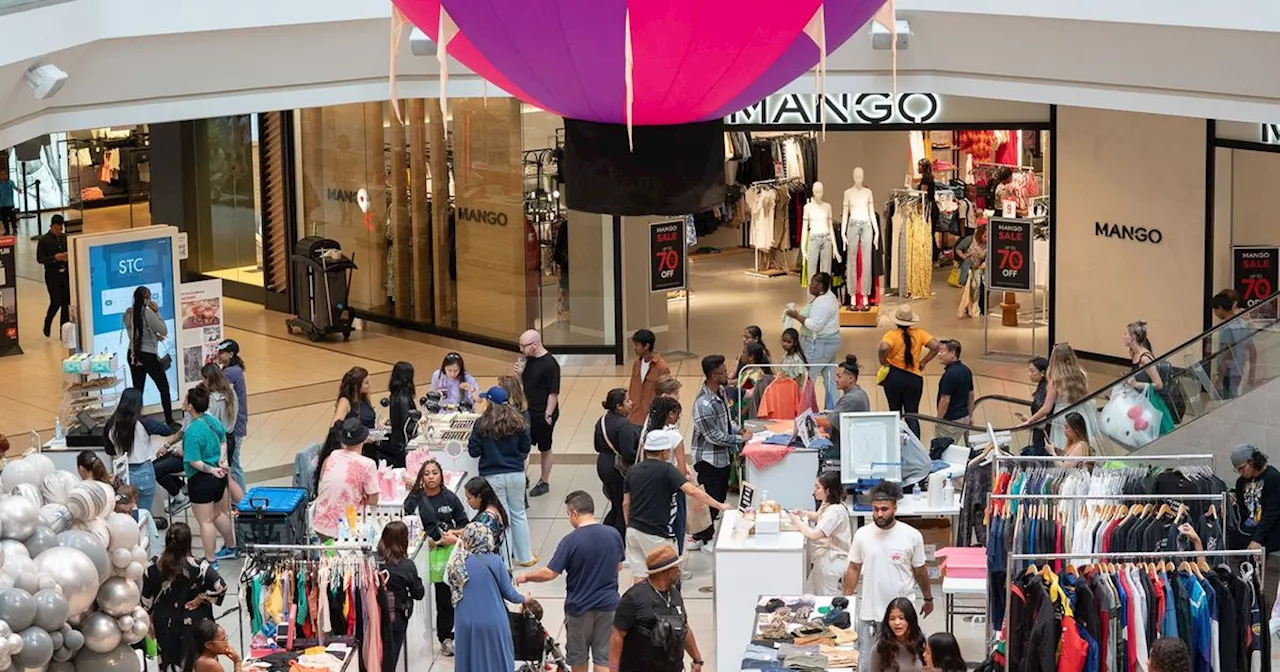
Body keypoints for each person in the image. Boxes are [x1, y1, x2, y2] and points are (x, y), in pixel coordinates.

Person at [517, 491, 624, 672]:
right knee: (603, 659)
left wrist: (527, 576)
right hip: (608, 607)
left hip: (579, 609)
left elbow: (550, 573)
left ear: (574, 513)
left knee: (578, 658)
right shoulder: (613, 534)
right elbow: (618, 566)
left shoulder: (570, 541)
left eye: (568, 514)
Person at [844, 482, 933, 668]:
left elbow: (920, 570)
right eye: (875, 509)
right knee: (870, 664)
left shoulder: (911, 535)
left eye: (884, 509)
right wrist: (846, 600)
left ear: (895, 508)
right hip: (871, 612)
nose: (879, 514)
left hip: (902, 615)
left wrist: (928, 598)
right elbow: (853, 568)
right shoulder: (862, 534)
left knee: (904, 662)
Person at [624, 429, 729, 580]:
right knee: (666, 579)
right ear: (663, 452)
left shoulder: (633, 470)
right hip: (657, 534)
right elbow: (692, 491)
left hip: (633, 533)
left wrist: (629, 525)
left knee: (640, 578)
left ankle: (639, 604)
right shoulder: (667, 470)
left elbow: (626, 502)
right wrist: (719, 505)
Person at [141, 522, 227, 672]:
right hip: (195, 621)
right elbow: (220, 586)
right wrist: (201, 597)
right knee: (196, 661)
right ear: (188, 542)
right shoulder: (199, 566)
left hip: (164, 620)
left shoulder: (152, 566)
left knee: (168, 660)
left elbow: (146, 599)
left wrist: (149, 622)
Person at [403, 458, 467, 655]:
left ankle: (445, 637)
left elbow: (465, 526)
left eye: (434, 472)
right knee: (421, 595)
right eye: (427, 473)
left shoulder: (450, 498)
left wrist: (450, 537)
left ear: (441, 476)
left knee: (444, 597)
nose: (431, 477)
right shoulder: (414, 500)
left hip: (447, 554)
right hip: (422, 554)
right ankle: (421, 631)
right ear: (421, 477)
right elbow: (406, 525)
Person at [447, 523, 531, 672]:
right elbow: (510, 593)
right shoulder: (495, 561)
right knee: (497, 660)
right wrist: (524, 598)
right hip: (492, 620)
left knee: (469, 660)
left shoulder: (457, 562)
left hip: (464, 621)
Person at [467, 385, 536, 566]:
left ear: (489, 402)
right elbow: (525, 448)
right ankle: (525, 557)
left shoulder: (481, 423)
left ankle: (505, 561)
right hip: (516, 474)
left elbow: (473, 451)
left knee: (501, 517)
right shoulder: (518, 421)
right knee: (519, 514)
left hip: (492, 476)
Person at [609, 546, 706, 672]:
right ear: (664, 572)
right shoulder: (634, 598)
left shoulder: (675, 595)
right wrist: (613, 669)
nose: (679, 571)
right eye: (676, 568)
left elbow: (685, 629)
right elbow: (617, 636)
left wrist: (697, 659)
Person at [688, 355, 751, 549]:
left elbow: (725, 421)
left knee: (718, 497)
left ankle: (703, 535)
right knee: (710, 499)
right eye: (724, 372)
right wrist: (740, 439)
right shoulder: (704, 404)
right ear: (714, 376)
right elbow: (713, 436)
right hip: (708, 459)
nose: (727, 375)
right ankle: (704, 538)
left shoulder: (721, 392)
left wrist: (738, 429)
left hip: (722, 457)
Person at [181, 386, 236, 565]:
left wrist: (211, 469)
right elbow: (223, 441)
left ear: (190, 407)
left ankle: (211, 560)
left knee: (205, 521)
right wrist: (221, 461)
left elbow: (194, 461)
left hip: (201, 480)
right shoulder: (213, 422)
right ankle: (231, 546)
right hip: (219, 478)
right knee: (218, 513)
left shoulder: (192, 432)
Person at [1019, 343, 1105, 455]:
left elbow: (1046, 408)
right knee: (1081, 446)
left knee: (1063, 448)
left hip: (1061, 417)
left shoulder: (1055, 380)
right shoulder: (1081, 374)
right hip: (1080, 413)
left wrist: (1030, 421)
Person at [879, 305, 941, 438]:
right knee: (912, 414)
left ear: (896, 321)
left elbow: (884, 347)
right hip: (914, 378)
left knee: (894, 413)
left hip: (893, 377)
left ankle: (894, 444)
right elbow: (936, 346)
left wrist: (883, 361)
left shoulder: (891, 335)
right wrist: (923, 362)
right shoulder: (919, 333)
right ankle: (914, 445)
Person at [313, 419, 380, 539]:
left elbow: (323, 484)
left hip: (321, 524)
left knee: (329, 554)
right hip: (346, 529)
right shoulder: (368, 464)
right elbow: (373, 499)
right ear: (364, 438)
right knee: (344, 555)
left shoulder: (333, 455)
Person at [787, 472, 853, 594]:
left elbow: (814, 534)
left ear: (828, 490)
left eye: (818, 487)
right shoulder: (828, 503)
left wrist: (797, 522)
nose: (814, 491)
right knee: (810, 591)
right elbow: (819, 517)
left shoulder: (834, 511)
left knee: (826, 600)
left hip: (831, 561)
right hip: (825, 558)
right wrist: (804, 513)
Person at [642, 397, 692, 555]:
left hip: (650, 486)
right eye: (678, 414)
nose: (678, 417)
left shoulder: (649, 432)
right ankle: (675, 563)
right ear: (671, 414)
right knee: (677, 526)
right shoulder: (675, 436)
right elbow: (682, 469)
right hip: (672, 486)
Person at [784, 272, 842, 408]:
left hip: (819, 345)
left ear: (820, 286)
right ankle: (834, 411)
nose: (809, 286)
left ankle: (804, 410)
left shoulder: (823, 303)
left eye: (812, 283)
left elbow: (815, 325)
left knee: (808, 378)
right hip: (829, 344)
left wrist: (797, 316)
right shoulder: (827, 297)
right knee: (829, 379)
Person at [516, 329, 560, 497]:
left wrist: (548, 414)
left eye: (524, 346)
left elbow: (553, 392)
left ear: (534, 344)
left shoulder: (550, 364)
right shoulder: (528, 360)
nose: (522, 350)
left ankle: (544, 480)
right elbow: (523, 387)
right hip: (528, 410)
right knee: (523, 446)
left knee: (545, 447)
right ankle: (523, 476)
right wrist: (519, 374)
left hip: (543, 412)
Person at [123, 285, 175, 425]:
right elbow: (163, 330)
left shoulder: (128, 314)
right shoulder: (148, 313)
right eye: (149, 297)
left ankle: (135, 423)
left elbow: (135, 334)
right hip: (148, 356)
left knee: (138, 391)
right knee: (163, 387)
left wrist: (152, 336)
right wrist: (157, 312)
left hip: (133, 354)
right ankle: (169, 421)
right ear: (146, 298)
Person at [379, 521, 426, 672]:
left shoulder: (376, 563)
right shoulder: (407, 566)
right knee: (391, 658)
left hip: (376, 614)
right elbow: (418, 594)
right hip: (397, 616)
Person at [595, 389, 640, 538]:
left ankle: (603, 535)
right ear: (619, 406)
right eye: (627, 401)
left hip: (603, 465)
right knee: (622, 507)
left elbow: (596, 446)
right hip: (617, 470)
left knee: (615, 504)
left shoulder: (601, 420)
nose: (631, 403)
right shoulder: (624, 425)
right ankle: (616, 540)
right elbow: (627, 454)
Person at [1123, 320, 1176, 435]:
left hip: (1151, 402)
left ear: (1133, 337)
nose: (1124, 337)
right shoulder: (1136, 355)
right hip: (1141, 400)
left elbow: (1158, 384)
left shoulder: (1145, 358)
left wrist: (1136, 384)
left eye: (1126, 334)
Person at [1230, 444, 1280, 553]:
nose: (1241, 472)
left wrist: (1258, 539)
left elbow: (1272, 513)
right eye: (1238, 470)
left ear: (1252, 461)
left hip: (1268, 534)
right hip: (1247, 531)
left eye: (1242, 468)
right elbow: (1242, 510)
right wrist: (1232, 507)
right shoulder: (1241, 482)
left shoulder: (1273, 478)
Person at [215, 339, 248, 493]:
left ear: (231, 354)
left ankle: (242, 498)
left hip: (236, 426)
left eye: (222, 353)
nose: (219, 355)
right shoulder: (232, 369)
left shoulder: (231, 372)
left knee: (234, 464)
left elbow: (214, 386)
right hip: (236, 423)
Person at [1212, 290, 1257, 399]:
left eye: (1215, 309)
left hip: (1228, 372)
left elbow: (1226, 354)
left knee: (1225, 402)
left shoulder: (1226, 329)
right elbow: (1252, 351)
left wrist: (1220, 379)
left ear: (1220, 308)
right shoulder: (1243, 324)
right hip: (1239, 370)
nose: (1214, 312)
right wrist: (1252, 374)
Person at [867, 598, 926, 672]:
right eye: (892, 619)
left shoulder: (921, 643)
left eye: (901, 618)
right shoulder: (880, 648)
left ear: (910, 619)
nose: (897, 623)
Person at [825, 354, 870, 449]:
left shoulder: (851, 398)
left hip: (846, 447)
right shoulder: (860, 393)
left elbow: (828, 422)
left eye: (839, 377)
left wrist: (806, 419)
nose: (836, 380)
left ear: (851, 379)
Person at [935, 339, 974, 445]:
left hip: (950, 421)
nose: (939, 354)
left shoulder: (949, 375)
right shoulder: (966, 370)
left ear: (952, 353)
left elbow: (945, 400)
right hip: (963, 417)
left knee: (942, 449)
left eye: (942, 351)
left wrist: (939, 420)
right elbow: (970, 395)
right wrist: (970, 415)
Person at [627, 329, 670, 424]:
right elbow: (632, 387)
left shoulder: (662, 367)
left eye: (637, 345)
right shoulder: (636, 363)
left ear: (646, 346)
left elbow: (666, 395)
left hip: (650, 418)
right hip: (633, 416)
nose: (634, 348)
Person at [36, 214, 69, 338]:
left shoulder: (65, 238)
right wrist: (54, 258)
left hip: (65, 273)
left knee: (66, 302)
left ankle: (64, 332)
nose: (59, 231)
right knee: (56, 301)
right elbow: (40, 259)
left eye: (60, 229)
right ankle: (48, 321)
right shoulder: (44, 240)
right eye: (56, 229)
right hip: (52, 274)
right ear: (51, 226)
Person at [384, 361, 418, 467]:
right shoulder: (403, 398)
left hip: (397, 441)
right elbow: (407, 424)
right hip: (404, 444)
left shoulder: (394, 394)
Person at [464, 476, 509, 553]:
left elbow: (479, 544)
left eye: (469, 498)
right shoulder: (495, 507)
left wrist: (454, 540)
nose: (467, 502)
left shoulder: (486, 519)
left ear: (479, 497)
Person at [1018, 357, 1050, 456]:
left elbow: (1042, 424)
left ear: (1042, 372)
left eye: (1032, 371)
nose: (1030, 374)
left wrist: (1029, 420)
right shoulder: (1043, 387)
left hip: (1042, 438)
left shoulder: (1043, 392)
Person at [954, 225, 988, 318]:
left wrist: (985, 262)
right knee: (969, 286)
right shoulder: (970, 239)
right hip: (968, 266)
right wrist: (963, 256)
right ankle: (967, 306)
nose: (986, 238)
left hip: (978, 267)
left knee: (976, 286)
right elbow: (958, 248)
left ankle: (974, 307)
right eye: (985, 236)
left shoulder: (988, 244)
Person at [0, 168, 18, 237]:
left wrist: (18, 189)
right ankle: (7, 231)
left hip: (10, 204)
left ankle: (14, 230)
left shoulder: (11, 182)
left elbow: (15, 188)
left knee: (12, 218)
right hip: (2, 205)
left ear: (7, 175)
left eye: (5, 174)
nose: (3, 176)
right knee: (4, 219)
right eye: (2, 175)